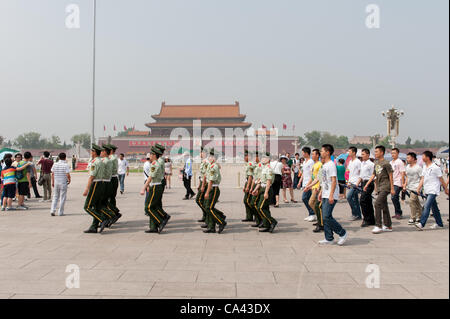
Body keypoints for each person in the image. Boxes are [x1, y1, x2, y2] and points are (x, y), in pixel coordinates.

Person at [318, 144, 348, 246]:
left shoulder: (331, 165)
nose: (320, 153)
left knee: (326, 216)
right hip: (325, 193)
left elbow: (334, 181)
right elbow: (324, 181)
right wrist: (321, 192)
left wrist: (331, 195)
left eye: (322, 151)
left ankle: (342, 233)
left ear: (327, 152)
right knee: (325, 216)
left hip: (331, 194)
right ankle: (329, 238)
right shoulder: (324, 165)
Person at [364, 145, 395, 234]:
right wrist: (367, 184)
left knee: (377, 203)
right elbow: (374, 175)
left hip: (386, 186)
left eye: (377, 152)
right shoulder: (376, 162)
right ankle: (388, 225)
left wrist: (392, 188)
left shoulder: (386, 163)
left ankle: (378, 225)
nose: (375, 153)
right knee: (384, 205)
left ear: (382, 152)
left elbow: (390, 176)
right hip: (380, 186)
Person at [414, 151, 449, 230]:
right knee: (434, 208)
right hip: (427, 189)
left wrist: (446, 189)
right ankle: (439, 223)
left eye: (423, 156)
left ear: (427, 157)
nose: (422, 158)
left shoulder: (435, 167)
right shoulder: (424, 167)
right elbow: (422, 178)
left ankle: (421, 223)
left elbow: (441, 179)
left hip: (433, 190)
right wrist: (418, 188)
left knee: (427, 206)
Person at [140, 146, 169, 233]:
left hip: (155, 186)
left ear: (154, 155)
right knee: (153, 206)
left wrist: (144, 188)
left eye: (151, 154)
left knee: (148, 207)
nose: (150, 156)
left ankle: (161, 221)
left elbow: (150, 177)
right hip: (156, 185)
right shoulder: (156, 162)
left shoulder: (155, 164)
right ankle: (154, 226)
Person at [83, 144, 110, 234]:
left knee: (87, 206)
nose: (91, 153)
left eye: (92, 151)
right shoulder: (101, 161)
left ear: (94, 152)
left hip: (96, 184)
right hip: (101, 184)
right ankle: (94, 227)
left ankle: (102, 219)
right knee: (97, 206)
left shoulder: (95, 162)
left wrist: (87, 189)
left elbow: (91, 177)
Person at [203, 149, 227, 234]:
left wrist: (207, 192)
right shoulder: (212, 165)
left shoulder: (214, 166)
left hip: (213, 189)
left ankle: (221, 221)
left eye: (210, 156)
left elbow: (211, 181)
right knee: (208, 207)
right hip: (211, 188)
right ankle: (211, 226)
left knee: (209, 207)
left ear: (213, 158)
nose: (208, 158)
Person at [254, 152, 278, 233]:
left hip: (267, 189)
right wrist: (255, 189)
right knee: (264, 208)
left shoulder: (269, 169)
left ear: (268, 160)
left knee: (260, 207)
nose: (262, 159)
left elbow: (268, 181)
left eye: (263, 158)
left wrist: (266, 192)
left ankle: (272, 221)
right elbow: (261, 181)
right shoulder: (264, 168)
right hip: (262, 188)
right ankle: (267, 225)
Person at [303, 149, 324, 233]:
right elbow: (313, 177)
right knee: (314, 204)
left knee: (312, 203)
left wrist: (318, 186)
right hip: (313, 186)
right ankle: (320, 219)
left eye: (313, 154)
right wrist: (308, 186)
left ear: (318, 155)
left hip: (317, 187)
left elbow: (320, 178)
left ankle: (321, 220)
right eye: (312, 154)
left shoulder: (319, 164)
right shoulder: (314, 164)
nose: (312, 155)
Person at [356, 149, 376, 227]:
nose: (362, 156)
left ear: (368, 155)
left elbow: (373, 176)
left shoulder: (371, 164)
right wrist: (357, 183)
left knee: (362, 200)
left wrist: (368, 184)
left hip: (369, 183)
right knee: (368, 201)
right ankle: (371, 219)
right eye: (362, 154)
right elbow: (361, 175)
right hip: (363, 182)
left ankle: (366, 219)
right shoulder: (362, 163)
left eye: (363, 154)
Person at [404, 152, 423, 225]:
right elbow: (407, 177)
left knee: (411, 201)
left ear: (413, 158)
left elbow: (422, 178)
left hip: (416, 187)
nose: (407, 159)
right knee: (416, 202)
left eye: (408, 158)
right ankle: (420, 215)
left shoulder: (418, 167)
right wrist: (405, 185)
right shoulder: (408, 167)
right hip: (410, 187)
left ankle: (413, 217)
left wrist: (419, 188)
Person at [298, 147, 315, 221]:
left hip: (309, 183)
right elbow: (303, 173)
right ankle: (311, 213)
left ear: (306, 153)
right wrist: (300, 182)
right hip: (305, 183)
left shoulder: (311, 162)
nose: (302, 154)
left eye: (303, 153)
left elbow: (312, 174)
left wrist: (309, 185)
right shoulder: (304, 162)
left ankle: (312, 213)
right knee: (307, 199)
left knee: (304, 198)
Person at [346, 147, 362, 221]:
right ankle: (358, 215)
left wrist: (358, 183)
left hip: (356, 183)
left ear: (354, 152)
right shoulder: (350, 162)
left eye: (349, 151)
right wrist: (348, 182)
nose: (348, 153)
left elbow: (360, 173)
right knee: (355, 199)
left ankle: (354, 213)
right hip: (351, 182)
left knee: (349, 197)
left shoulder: (358, 162)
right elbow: (350, 173)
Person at [390, 148, 406, 219]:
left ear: (397, 154)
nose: (393, 154)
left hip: (398, 182)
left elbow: (402, 173)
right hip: (392, 182)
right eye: (392, 153)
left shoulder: (399, 162)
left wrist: (403, 183)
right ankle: (397, 212)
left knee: (394, 197)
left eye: (394, 153)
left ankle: (399, 212)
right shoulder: (391, 162)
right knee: (394, 198)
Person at [108, 144, 122, 222]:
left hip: (111, 178)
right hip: (114, 178)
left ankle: (114, 213)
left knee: (109, 198)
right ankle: (113, 213)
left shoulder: (111, 158)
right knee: (112, 198)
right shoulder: (114, 157)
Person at [197, 148, 210, 226]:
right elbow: (201, 175)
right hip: (202, 182)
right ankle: (205, 216)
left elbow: (205, 175)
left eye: (201, 153)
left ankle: (208, 215)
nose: (200, 154)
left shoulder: (206, 162)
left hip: (205, 184)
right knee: (202, 201)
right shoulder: (203, 162)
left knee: (198, 200)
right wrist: (199, 184)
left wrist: (202, 185)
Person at [242, 150, 255, 222]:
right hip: (248, 182)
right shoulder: (248, 164)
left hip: (251, 184)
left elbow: (250, 176)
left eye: (245, 156)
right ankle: (249, 216)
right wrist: (245, 185)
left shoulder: (250, 164)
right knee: (247, 201)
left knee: (247, 200)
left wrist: (248, 187)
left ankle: (256, 216)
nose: (244, 157)